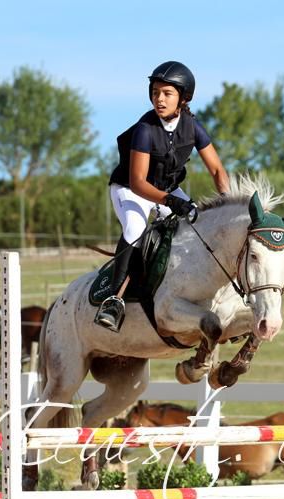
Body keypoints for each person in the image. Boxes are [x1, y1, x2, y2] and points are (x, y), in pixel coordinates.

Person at [96, 60, 230, 332]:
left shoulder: (192, 126)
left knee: (197, 225)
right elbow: (138, 182)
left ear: (183, 98)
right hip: (131, 189)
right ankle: (113, 300)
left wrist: (228, 201)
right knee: (135, 229)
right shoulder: (146, 129)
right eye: (156, 92)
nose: (159, 99)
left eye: (167, 93)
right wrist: (171, 201)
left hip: (167, 191)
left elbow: (216, 169)